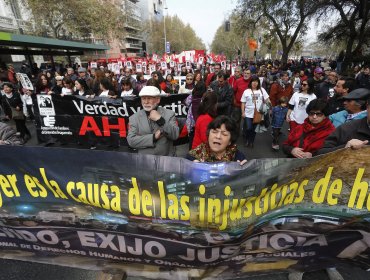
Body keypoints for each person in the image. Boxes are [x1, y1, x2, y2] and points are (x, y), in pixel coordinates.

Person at [127, 86, 179, 156]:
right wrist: (153, 137)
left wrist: (160, 119)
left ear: (158, 100)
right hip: (145, 161)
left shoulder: (169, 114)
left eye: (149, 98)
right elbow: (131, 141)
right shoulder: (134, 118)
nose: (146, 102)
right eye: (143, 98)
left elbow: (175, 135)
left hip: (166, 160)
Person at [241, 76, 270, 148]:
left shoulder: (262, 90)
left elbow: (267, 99)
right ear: (250, 82)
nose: (254, 83)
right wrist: (243, 112)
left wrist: (269, 107)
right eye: (253, 81)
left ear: (258, 83)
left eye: (256, 81)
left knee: (254, 130)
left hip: (258, 114)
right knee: (248, 128)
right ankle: (247, 139)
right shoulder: (246, 91)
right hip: (248, 113)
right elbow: (243, 103)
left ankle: (251, 142)